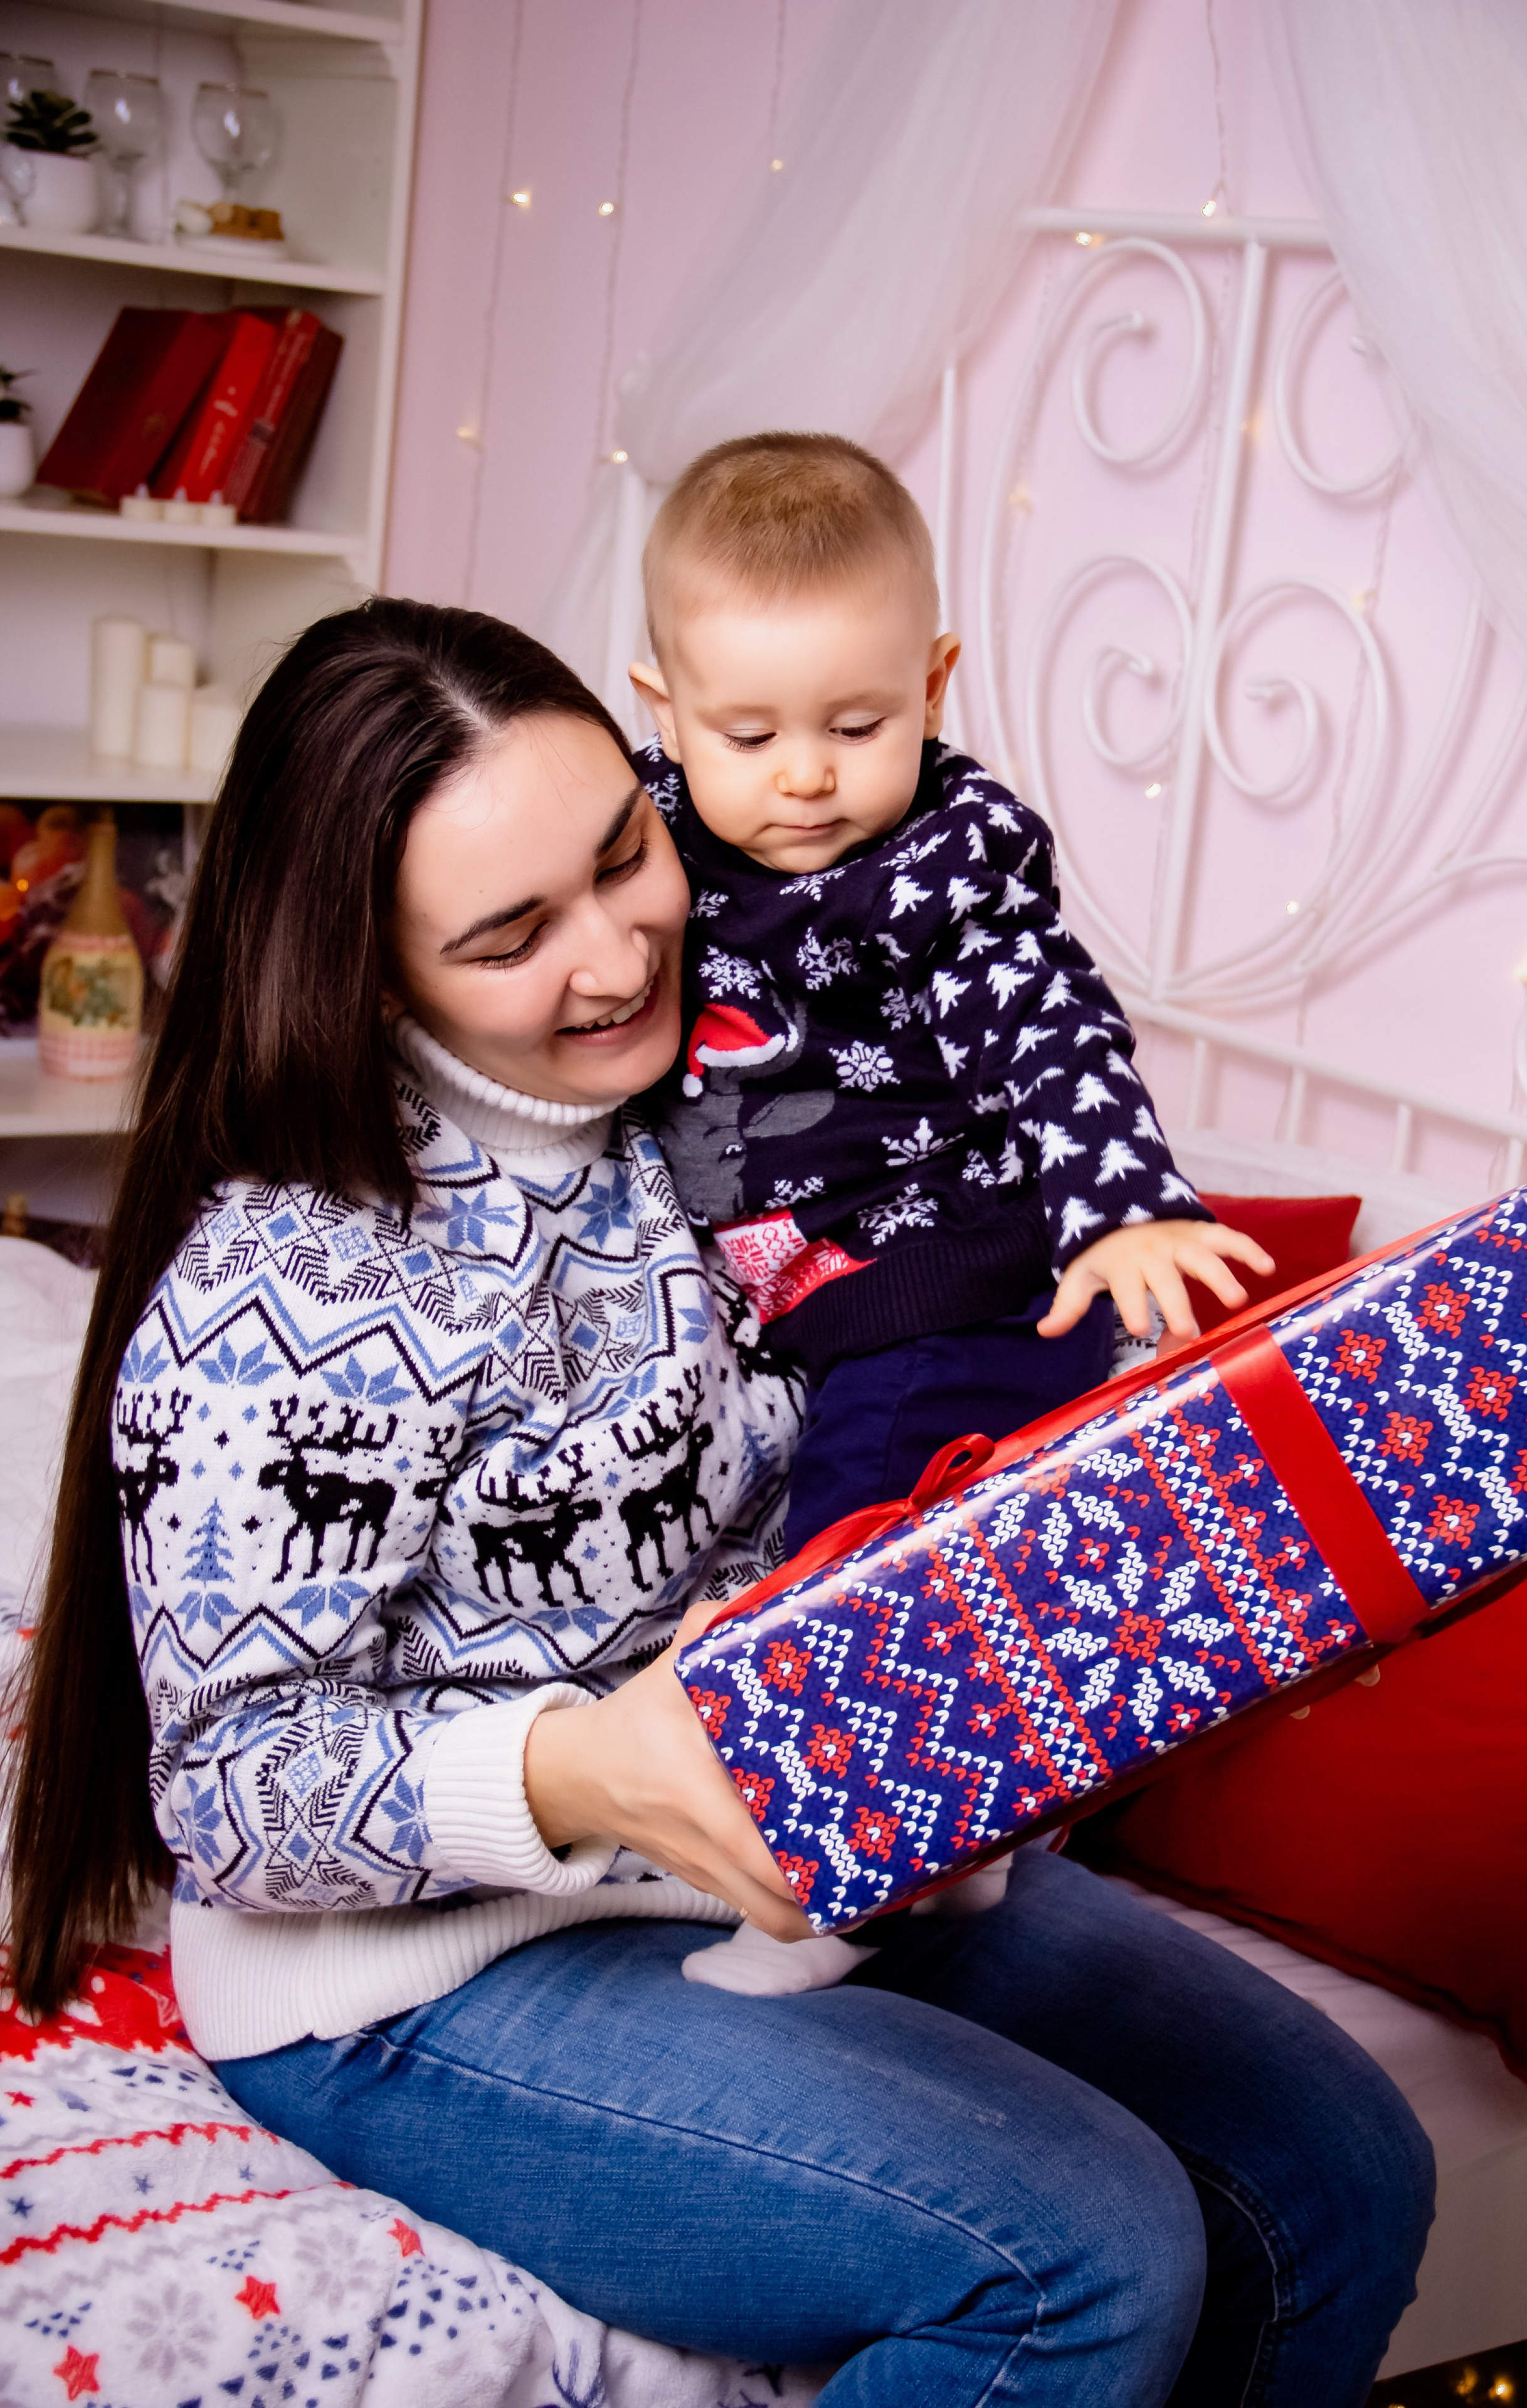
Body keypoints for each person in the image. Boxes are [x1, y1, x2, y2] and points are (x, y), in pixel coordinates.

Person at [8, 598, 1434, 2408]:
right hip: (418, 1968)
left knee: (1342, 2174)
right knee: (1083, 2254)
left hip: (795, 1850)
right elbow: (225, 1791)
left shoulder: (766, 1083)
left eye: (626, 856)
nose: (620, 956)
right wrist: (584, 1768)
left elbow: (927, 1366)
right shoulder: (299, 1270)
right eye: (513, 935)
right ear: (369, 975)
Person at [630, 431, 1273, 1566]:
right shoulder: (644, 833)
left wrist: (1124, 1207)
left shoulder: (940, 873)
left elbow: (1049, 1027)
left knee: (856, 1553)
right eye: (749, 735)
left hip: (950, 1294)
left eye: (856, 726)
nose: (805, 775)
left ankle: (824, 1668)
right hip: (781, 1300)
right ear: (667, 715)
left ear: (931, 689)